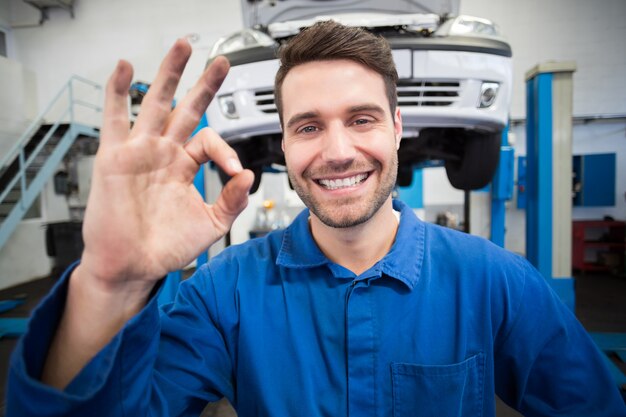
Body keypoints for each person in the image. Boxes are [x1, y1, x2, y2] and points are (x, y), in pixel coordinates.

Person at [6, 21, 626, 417]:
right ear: (282, 143)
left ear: (397, 127)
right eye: (308, 126)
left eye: (360, 119)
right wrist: (109, 284)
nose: (335, 151)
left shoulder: (495, 282)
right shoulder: (224, 294)